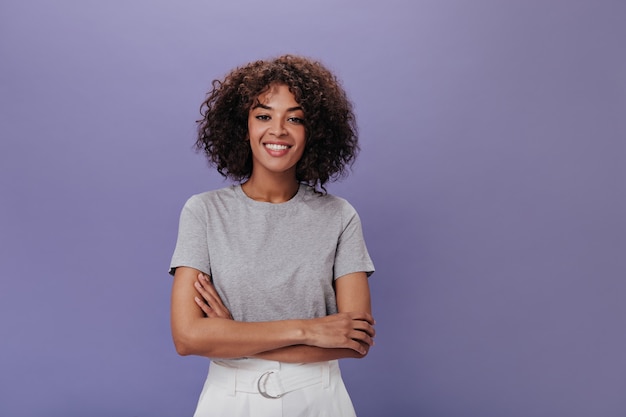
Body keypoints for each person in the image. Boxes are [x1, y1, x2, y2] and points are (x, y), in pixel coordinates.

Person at [169, 54, 375, 417]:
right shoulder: (203, 212)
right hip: (229, 400)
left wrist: (232, 335)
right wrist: (309, 330)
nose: (278, 130)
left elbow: (355, 341)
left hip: (320, 399)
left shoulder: (340, 217)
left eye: (294, 118)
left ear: (315, 131)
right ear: (242, 126)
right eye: (263, 116)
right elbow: (187, 338)